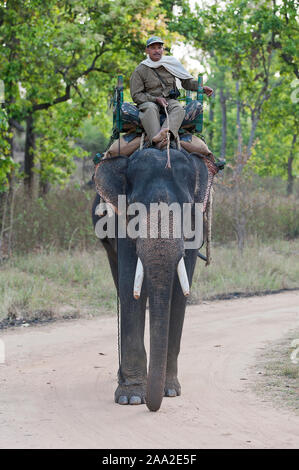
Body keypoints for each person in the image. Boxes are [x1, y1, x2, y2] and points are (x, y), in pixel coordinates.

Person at [130, 36, 213, 148]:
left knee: (178, 108)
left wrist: (202, 88)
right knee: (150, 108)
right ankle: (158, 143)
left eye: (159, 47)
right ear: (147, 50)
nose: (157, 50)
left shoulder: (170, 63)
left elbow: (186, 82)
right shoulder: (140, 69)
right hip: (149, 102)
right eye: (153, 48)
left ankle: (163, 135)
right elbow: (136, 95)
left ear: (162, 50)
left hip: (169, 100)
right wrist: (155, 99)